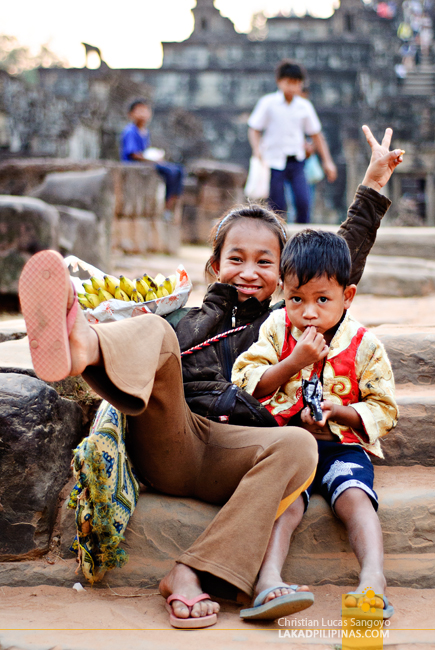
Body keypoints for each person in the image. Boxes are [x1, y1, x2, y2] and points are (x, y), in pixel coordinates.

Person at [18, 126, 402, 628]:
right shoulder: (193, 315)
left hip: (236, 453)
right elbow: (167, 358)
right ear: (213, 264)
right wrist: (212, 305)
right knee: (155, 330)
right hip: (173, 438)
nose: (249, 270)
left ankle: (188, 573)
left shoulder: (286, 321)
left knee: (299, 448)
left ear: (286, 276)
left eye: (266, 262)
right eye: (235, 259)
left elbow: (339, 257)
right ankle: (78, 347)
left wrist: (373, 184)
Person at [232, 230, 398, 619]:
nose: (308, 312)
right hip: (289, 450)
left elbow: (385, 408)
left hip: (342, 448)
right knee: (285, 505)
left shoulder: (365, 344)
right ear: (283, 295)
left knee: (355, 498)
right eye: (295, 299)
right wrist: (292, 363)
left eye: (322, 300)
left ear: (348, 296)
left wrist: (340, 412)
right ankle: (268, 580)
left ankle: (373, 580)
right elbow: (245, 379)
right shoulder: (275, 330)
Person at [248, 59, 337, 223]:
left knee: (303, 201)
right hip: (274, 161)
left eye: (296, 83)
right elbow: (254, 128)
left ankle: (303, 240)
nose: (292, 87)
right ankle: (278, 240)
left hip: (297, 161)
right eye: (288, 82)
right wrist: (256, 149)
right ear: (279, 82)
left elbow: (317, 135)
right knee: (277, 206)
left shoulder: (304, 106)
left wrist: (328, 162)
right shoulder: (268, 103)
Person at [120, 98, 184, 216]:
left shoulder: (144, 132)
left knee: (179, 170)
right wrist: (153, 160)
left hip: (146, 163)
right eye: (139, 110)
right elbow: (133, 154)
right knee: (171, 172)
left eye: (145, 110)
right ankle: (165, 206)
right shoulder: (130, 131)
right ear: (131, 114)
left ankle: (170, 204)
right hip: (135, 165)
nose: (143, 114)